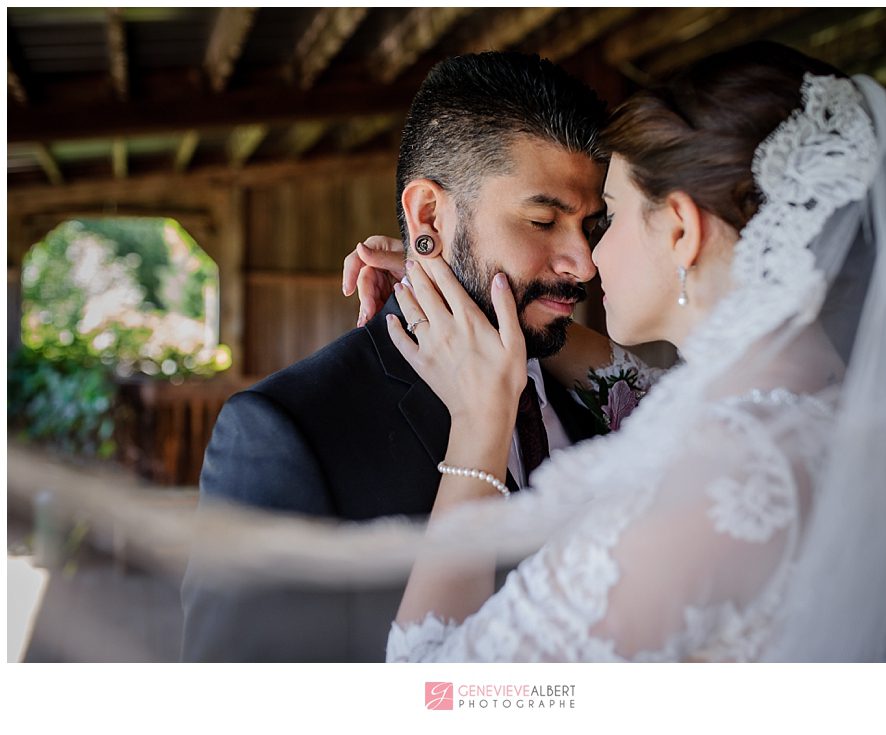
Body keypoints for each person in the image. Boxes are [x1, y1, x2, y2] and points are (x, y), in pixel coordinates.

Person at [359, 41, 886, 661]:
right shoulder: (843, 412)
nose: (586, 262)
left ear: (683, 231)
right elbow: (649, 394)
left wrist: (479, 426)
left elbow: (436, 695)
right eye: (547, 223)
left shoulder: (703, 493)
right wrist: (464, 286)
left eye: (608, 216)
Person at [180, 51, 611, 661]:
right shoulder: (285, 432)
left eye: (591, 226)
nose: (583, 263)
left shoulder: (602, 391)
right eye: (543, 220)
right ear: (428, 214)